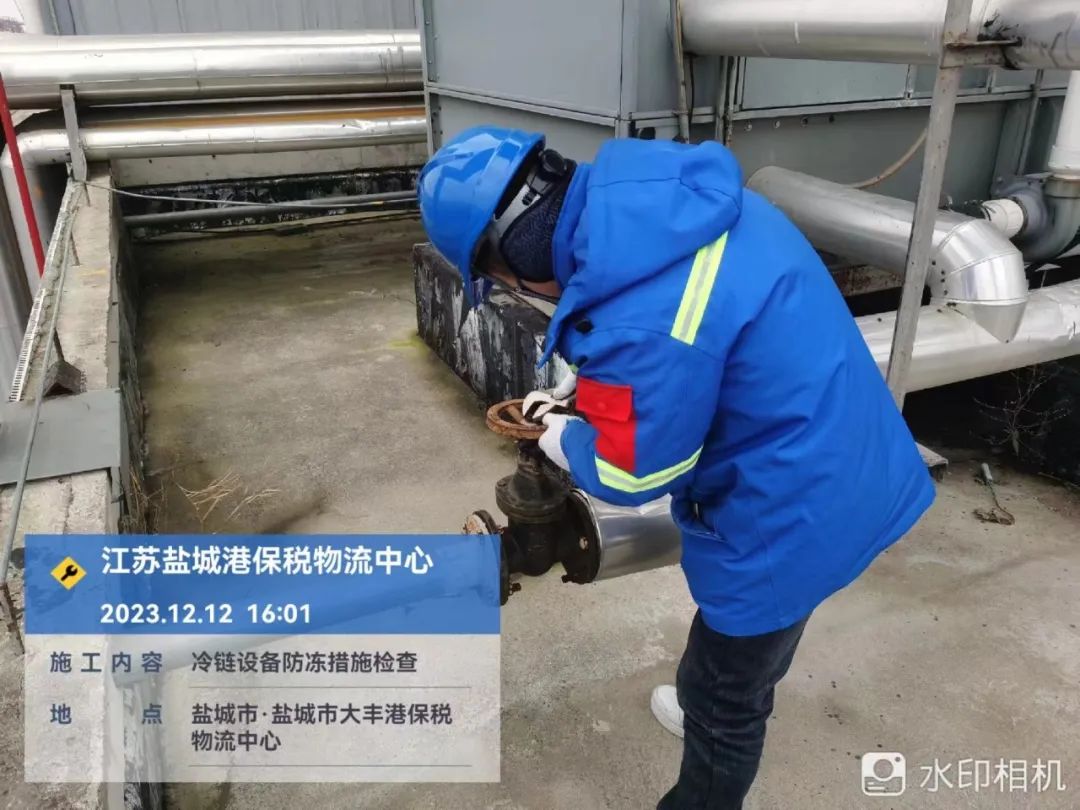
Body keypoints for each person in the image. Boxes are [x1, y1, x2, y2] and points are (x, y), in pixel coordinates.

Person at [417, 126, 935, 809]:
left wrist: (562, 436)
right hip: (851, 457)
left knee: (727, 696)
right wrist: (591, 388)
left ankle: (708, 743)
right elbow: (700, 351)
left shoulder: (642, 319)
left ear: (512, 251)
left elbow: (630, 475)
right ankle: (709, 696)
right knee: (752, 649)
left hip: (792, 515)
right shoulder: (678, 206)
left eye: (497, 279)